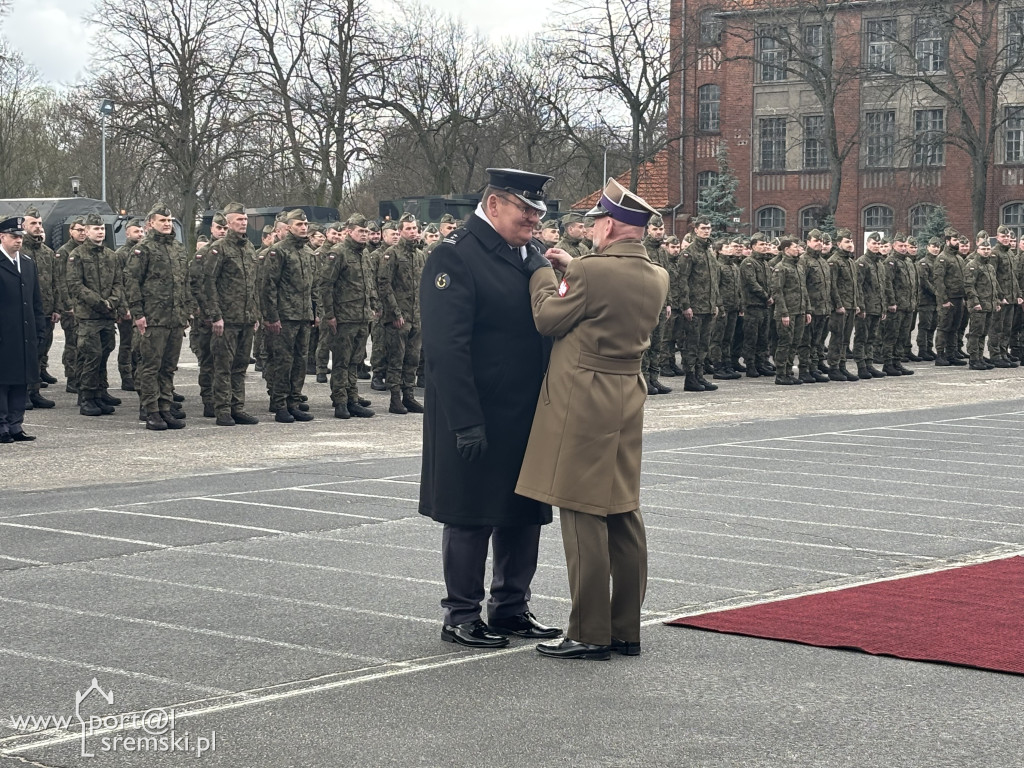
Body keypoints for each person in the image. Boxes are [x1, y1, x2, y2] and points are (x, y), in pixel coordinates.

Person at [515, 178, 668, 660]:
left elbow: (547, 319)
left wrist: (543, 271)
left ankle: (588, 631)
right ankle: (625, 628)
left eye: (597, 221)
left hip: (583, 398)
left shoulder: (591, 271)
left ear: (610, 224)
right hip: (626, 394)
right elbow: (607, 288)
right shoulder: (656, 274)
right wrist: (577, 266)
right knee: (623, 512)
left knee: (582, 512)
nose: (592, 229)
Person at [419, 167, 562, 649]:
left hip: (525, 412)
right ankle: (461, 613)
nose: (534, 219)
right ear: (495, 204)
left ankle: (510, 607)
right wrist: (465, 421)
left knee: (523, 512)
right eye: (526, 209)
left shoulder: (530, 255)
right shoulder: (455, 256)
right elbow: (446, 348)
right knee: (471, 514)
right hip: (476, 411)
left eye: (538, 212)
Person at [125, 203, 190, 430]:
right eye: (162, 220)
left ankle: (165, 407)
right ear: (150, 223)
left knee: (168, 367)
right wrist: (138, 314)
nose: (166, 224)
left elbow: (185, 282)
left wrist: (186, 311)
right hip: (153, 318)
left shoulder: (178, 249)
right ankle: (151, 411)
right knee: (150, 367)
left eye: (169, 221)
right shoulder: (143, 249)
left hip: (175, 318)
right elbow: (132, 281)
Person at [203, 202, 260, 426]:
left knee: (240, 367)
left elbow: (254, 285)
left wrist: (255, 315)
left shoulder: (249, 248)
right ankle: (222, 409)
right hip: (226, 319)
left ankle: (237, 406)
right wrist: (215, 315)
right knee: (223, 366)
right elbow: (209, 283)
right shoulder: (219, 248)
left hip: (245, 318)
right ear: (228, 223)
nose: (243, 223)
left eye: (245, 220)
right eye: (239, 220)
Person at [67, 213, 122, 416]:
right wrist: (99, 302)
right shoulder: (78, 255)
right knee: (92, 355)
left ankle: (99, 393)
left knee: (104, 353)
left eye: (102, 229)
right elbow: (75, 285)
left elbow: (118, 282)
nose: (100, 232)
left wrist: (113, 302)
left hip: (107, 315)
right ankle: (87, 396)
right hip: (89, 315)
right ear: (87, 231)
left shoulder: (111, 255)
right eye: (95, 229)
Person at [0, 216, 45, 443]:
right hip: (4, 334)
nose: (18, 241)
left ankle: (16, 425)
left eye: (20, 237)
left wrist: (39, 330)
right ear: (2, 237)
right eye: (13, 237)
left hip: (24, 334)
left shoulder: (27, 262)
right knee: (3, 382)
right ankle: (2, 426)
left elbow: (36, 301)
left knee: (21, 381)